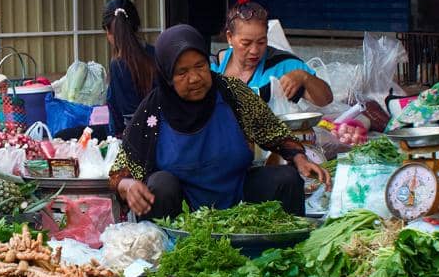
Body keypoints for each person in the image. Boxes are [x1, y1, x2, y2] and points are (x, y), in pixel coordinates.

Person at [110, 25, 330, 220]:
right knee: (160, 185)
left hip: (239, 202)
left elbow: (273, 132)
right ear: (167, 76)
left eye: (200, 66)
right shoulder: (152, 111)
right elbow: (120, 172)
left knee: (286, 178)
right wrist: (127, 185)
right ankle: (165, 246)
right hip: (181, 214)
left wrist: (299, 157)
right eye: (182, 72)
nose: (195, 78)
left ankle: (288, 246)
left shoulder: (232, 92)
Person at [214, 0, 333, 106]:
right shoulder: (213, 66)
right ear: (229, 37)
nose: (254, 51)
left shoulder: (283, 65)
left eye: (261, 42)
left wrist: (305, 77)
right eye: (246, 43)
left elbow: (325, 100)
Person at [102, 0, 156, 135]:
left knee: (66, 134)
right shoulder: (156, 53)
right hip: (162, 130)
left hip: (134, 137)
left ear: (108, 31)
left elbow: (122, 116)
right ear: (137, 25)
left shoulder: (118, 65)